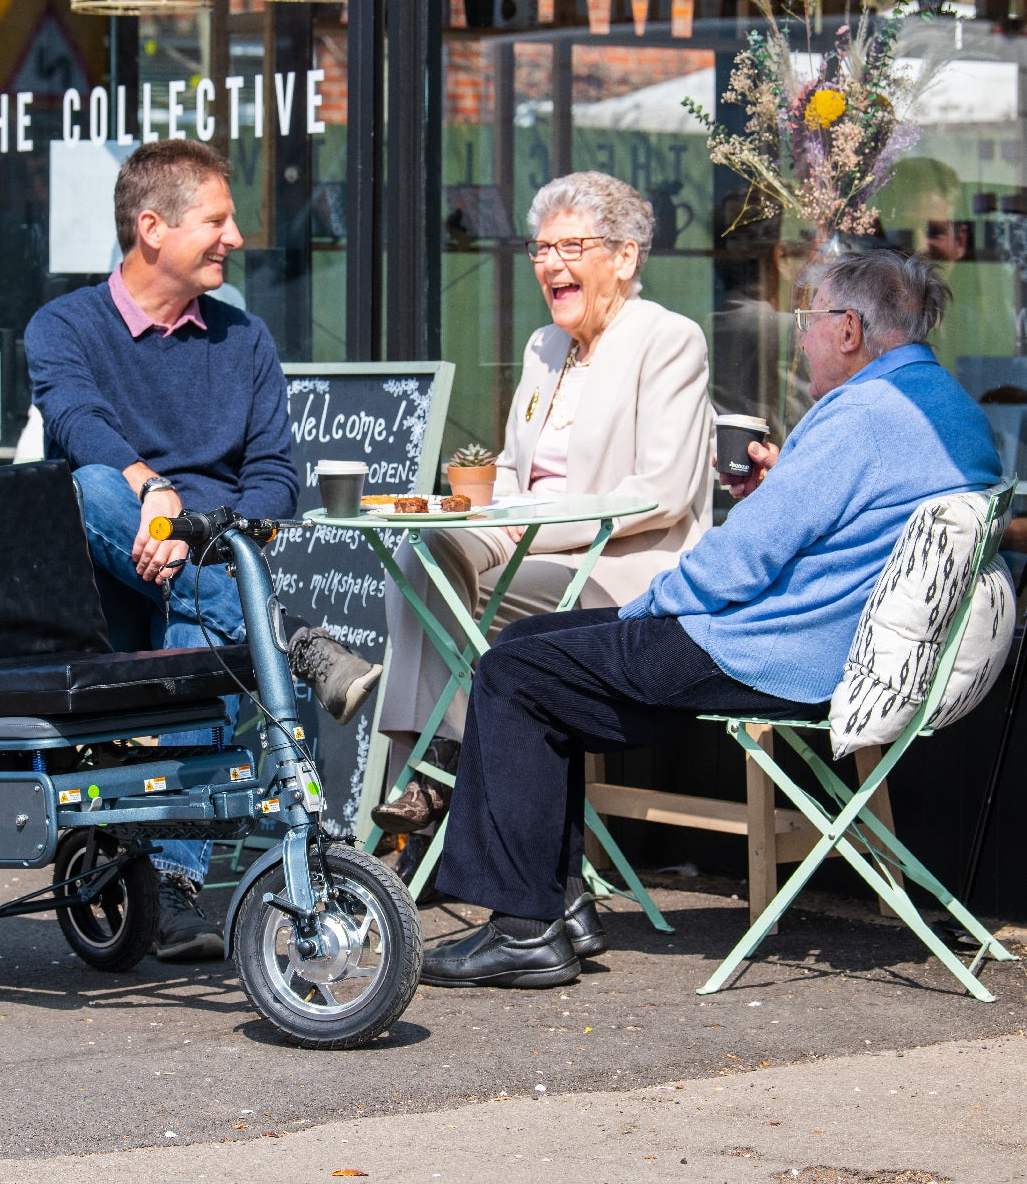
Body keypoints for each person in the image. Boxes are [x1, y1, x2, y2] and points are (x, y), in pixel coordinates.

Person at [420, 250, 1002, 989]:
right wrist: (779, 484)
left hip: (778, 652)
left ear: (849, 328)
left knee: (513, 668)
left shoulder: (861, 414)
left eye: (810, 320)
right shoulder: (943, 403)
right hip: (835, 647)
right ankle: (556, 907)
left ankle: (525, 928)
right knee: (536, 647)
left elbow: (741, 563)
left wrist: (642, 608)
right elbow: (838, 523)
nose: (801, 339)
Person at [25, 139, 378, 962]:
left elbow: (272, 479)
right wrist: (154, 496)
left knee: (198, 626)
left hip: (205, 563)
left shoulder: (245, 339)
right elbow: (79, 424)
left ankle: (178, 893)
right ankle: (288, 639)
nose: (236, 238)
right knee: (91, 485)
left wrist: (194, 536)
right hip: (103, 575)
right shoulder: (63, 327)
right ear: (152, 227)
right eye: (217, 220)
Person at [372, 172, 714, 889]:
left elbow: (662, 494)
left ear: (624, 256)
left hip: (621, 567)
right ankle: (430, 763)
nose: (551, 264)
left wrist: (523, 524)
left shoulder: (668, 341)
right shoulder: (543, 348)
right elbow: (516, 476)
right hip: (530, 545)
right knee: (420, 553)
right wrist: (456, 505)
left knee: (459, 606)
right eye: (540, 248)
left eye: (571, 246)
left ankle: (438, 780)